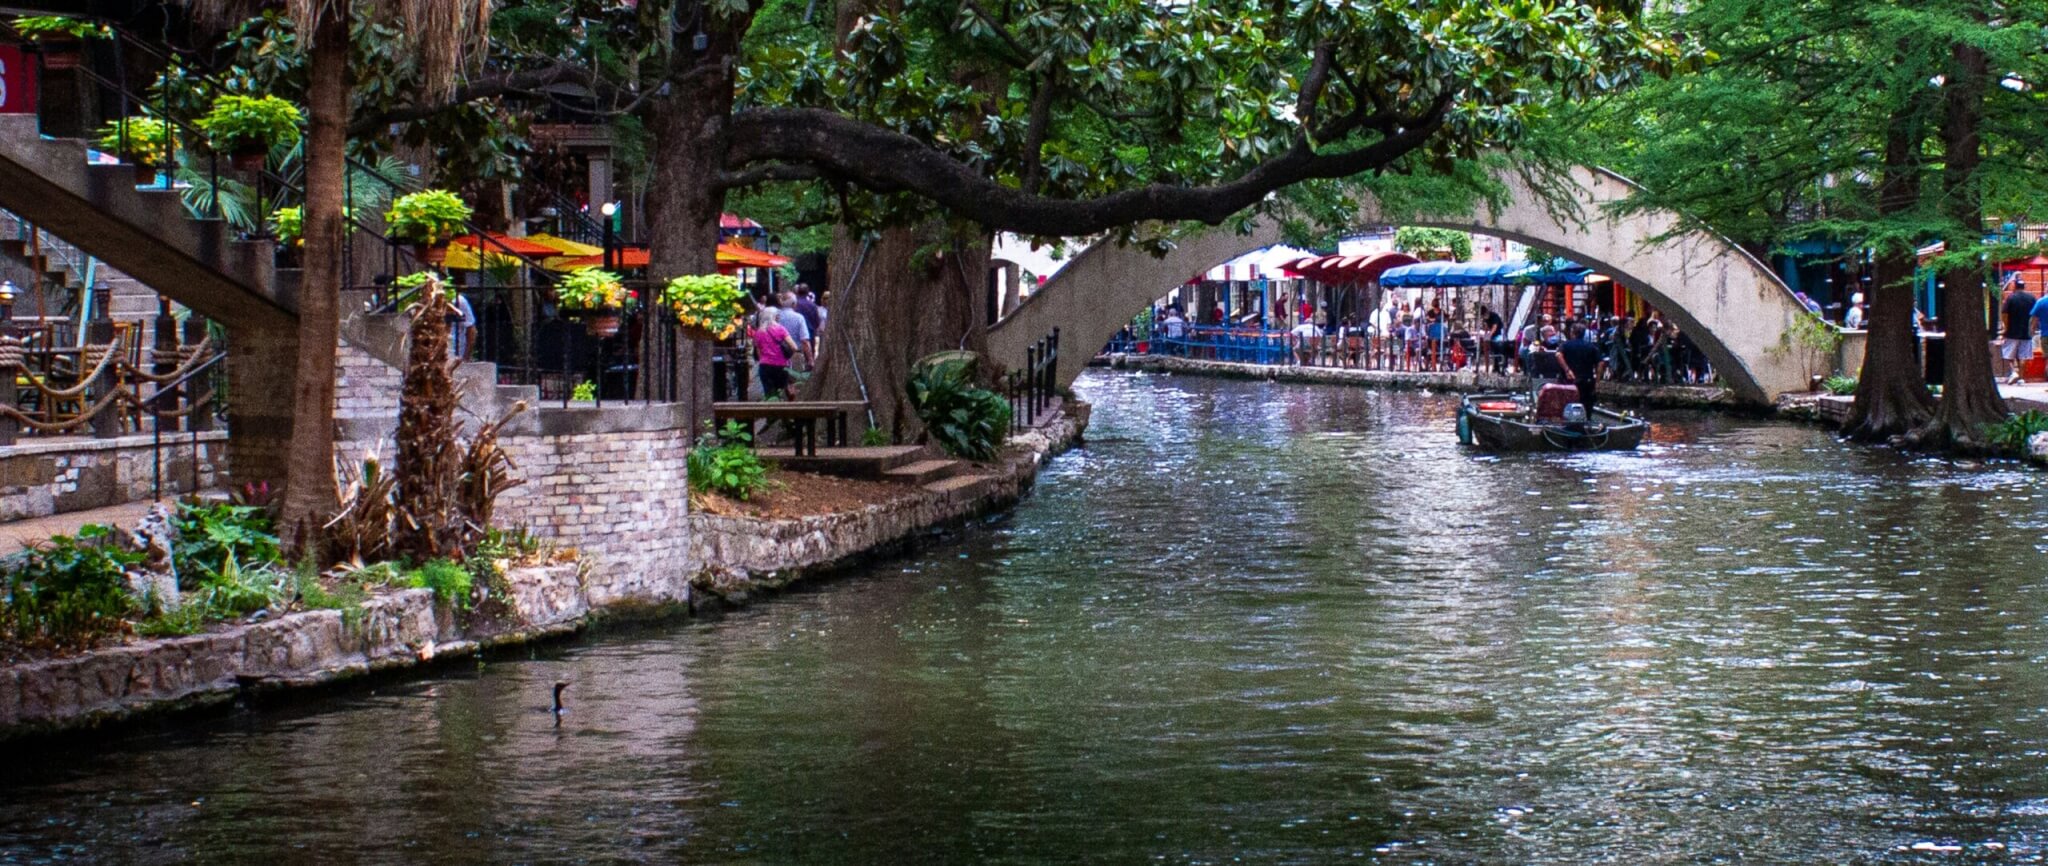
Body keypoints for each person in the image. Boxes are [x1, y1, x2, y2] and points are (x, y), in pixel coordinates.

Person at [749, 301, 800, 399]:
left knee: (768, 393)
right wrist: (787, 356)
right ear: (774, 316)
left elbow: (759, 352)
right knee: (780, 392)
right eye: (777, 315)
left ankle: (769, 412)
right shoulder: (780, 329)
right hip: (781, 366)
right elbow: (794, 347)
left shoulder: (759, 332)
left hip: (765, 366)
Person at [1559, 323, 1606, 410]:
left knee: (1568, 402)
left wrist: (1567, 370)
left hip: (1569, 379)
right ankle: (1587, 420)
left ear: (1572, 333)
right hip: (1586, 379)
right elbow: (1600, 363)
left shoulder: (1566, 345)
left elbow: (1558, 355)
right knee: (1586, 404)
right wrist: (1597, 379)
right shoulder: (1591, 346)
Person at [2000, 279, 2038, 385]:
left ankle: (2013, 371)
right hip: (2026, 332)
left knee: (2008, 353)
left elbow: (2004, 313)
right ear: (2024, 286)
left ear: (2015, 286)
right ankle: (2021, 378)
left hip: (2012, 331)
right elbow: (2035, 314)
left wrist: (2005, 327)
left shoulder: (2011, 298)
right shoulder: (2031, 298)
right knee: (2023, 356)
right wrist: (2033, 328)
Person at [775, 290, 816, 370]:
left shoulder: (775, 317)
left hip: (777, 357)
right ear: (794, 304)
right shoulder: (799, 318)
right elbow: (805, 341)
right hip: (796, 357)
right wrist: (810, 360)